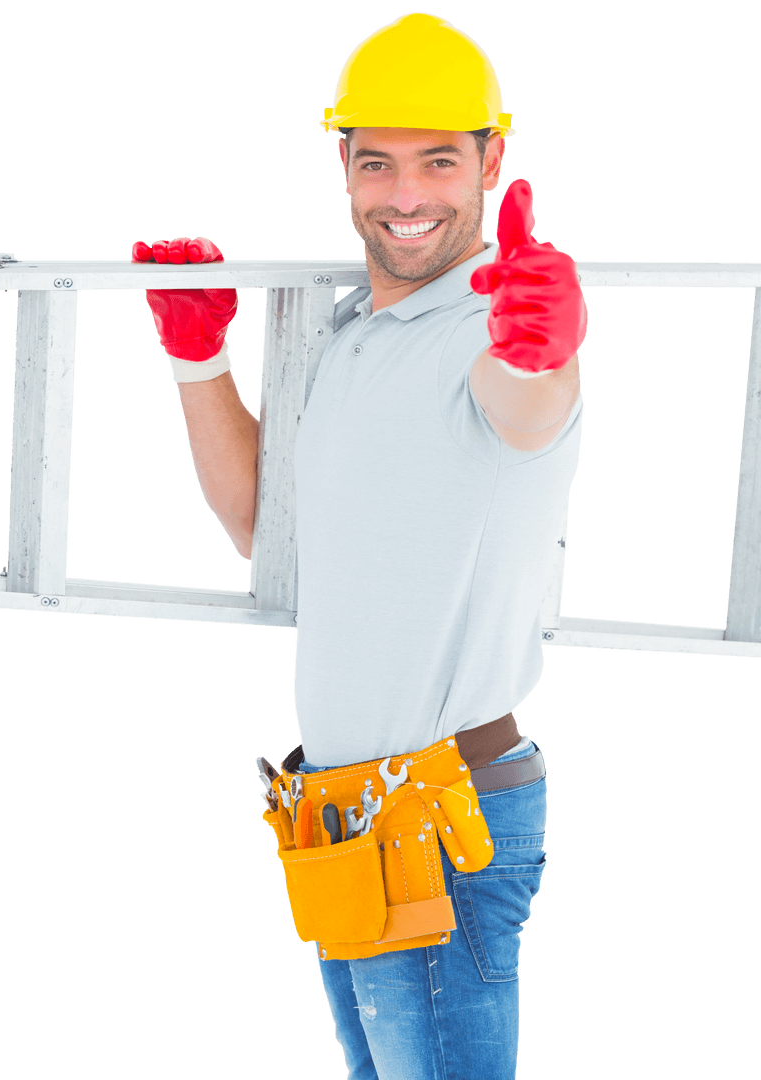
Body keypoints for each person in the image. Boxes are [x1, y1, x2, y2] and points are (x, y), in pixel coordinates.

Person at [132, 13, 588, 1079]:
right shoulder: (349, 334)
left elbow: (527, 409)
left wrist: (541, 345)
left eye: (439, 160)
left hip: (441, 809)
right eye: (377, 162)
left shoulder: (487, 323)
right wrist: (198, 361)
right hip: (347, 813)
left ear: (492, 161)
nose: (406, 195)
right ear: (344, 164)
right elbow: (266, 529)